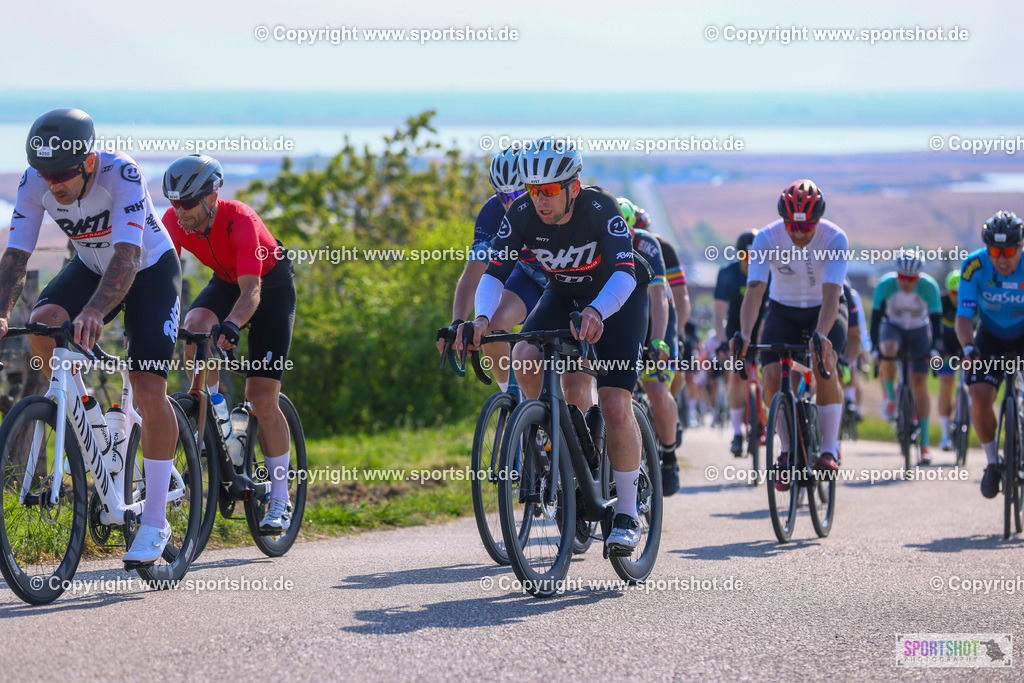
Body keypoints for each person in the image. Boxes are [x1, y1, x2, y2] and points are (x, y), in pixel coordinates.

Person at [0, 109, 182, 566]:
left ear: (86, 161)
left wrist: (96, 311)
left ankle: (155, 521)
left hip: (148, 270)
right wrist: (1, 313)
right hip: (91, 265)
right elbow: (16, 257)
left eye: (62, 174)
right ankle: (84, 414)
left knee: (148, 386)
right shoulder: (34, 181)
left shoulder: (121, 173)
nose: (53, 184)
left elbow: (126, 253)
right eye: (45, 174)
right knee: (42, 324)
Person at [460, 137, 652, 552]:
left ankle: (627, 512)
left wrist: (599, 312)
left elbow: (624, 272)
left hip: (618, 296)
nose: (539, 200)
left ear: (573, 188)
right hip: (564, 294)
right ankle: (554, 436)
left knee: (616, 403)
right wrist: (479, 319)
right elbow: (494, 274)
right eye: (533, 190)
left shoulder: (601, 209)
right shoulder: (524, 213)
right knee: (524, 355)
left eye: (548, 191)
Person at [161, 154, 297, 531]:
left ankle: (281, 499)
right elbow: (165, 279)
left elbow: (252, 291)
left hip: (269, 288)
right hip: (225, 280)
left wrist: (235, 324)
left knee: (262, 398)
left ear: (211, 195)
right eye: (174, 202)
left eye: (188, 202)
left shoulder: (240, 219)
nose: (180, 211)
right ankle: (212, 407)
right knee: (194, 325)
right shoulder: (174, 222)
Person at [735, 179, 848, 489]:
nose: (799, 234)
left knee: (824, 362)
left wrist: (821, 335)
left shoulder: (835, 238)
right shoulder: (767, 238)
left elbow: (832, 294)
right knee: (771, 376)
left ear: (818, 221)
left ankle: (828, 449)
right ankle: (787, 451)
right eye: (793, 227)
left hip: (824, 308)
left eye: (806, 227)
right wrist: (745, 335)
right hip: (783, 310)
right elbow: (755, 291)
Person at [438, 146, 545, 392]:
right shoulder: (492, 212)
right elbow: (474, 273)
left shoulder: (550, 207)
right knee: (491, 326)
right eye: (502, 197)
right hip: (528, 281)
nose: (509, 205)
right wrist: (458, 322)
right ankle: (514, 403)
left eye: (517, 195)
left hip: (566, 283)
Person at [955, 211, 1024, 498]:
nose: (1002, 259)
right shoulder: (974, 265)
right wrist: (969, 347)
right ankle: (993, 464)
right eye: (995, 251)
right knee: (980, 396)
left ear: (1020, 246)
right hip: (991, 336)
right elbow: (963, 315)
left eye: (1009, 251)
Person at [618, 197, 679, 496]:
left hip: (657, 315)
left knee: (655, 388)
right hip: (622, 315)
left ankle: (669, 456)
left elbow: (658, 298)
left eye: (626, 234)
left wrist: (658, 340)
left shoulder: (647, 244)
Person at [870, 252, 941, 463]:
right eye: (903, 278)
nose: (907, 283)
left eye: (911, 279)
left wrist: (935, 348)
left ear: (918, 278)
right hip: (893, 328)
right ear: (897, 275)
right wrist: (875, 348)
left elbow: (936, 322)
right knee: (888, 350)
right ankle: (891, 398)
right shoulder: (885, 285)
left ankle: (925, 443)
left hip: (919, 330)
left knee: (920, 382)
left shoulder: (929, 287)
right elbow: (875, 320)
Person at [714, 230, 767, 456]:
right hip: (735, 328)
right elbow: (718, 313)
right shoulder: (728, 273)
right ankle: (736, 432)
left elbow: (770, 310)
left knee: (769, 370)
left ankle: (765, 414)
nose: (751, 261)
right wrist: (723, 341)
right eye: (746, 256)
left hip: (761, 326)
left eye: (755, 256)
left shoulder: (768, 273)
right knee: (737, 375)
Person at [935, 270, 964, 451]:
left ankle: (964, 412)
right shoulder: (941, 302)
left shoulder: (974, 301)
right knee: (946, 383)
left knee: (971, 385)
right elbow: (933, 329)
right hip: (946, 348)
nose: (957, 297)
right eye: (953, 293)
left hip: (965, 346)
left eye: (960, 293)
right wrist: (938, 350)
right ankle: (946, 435)